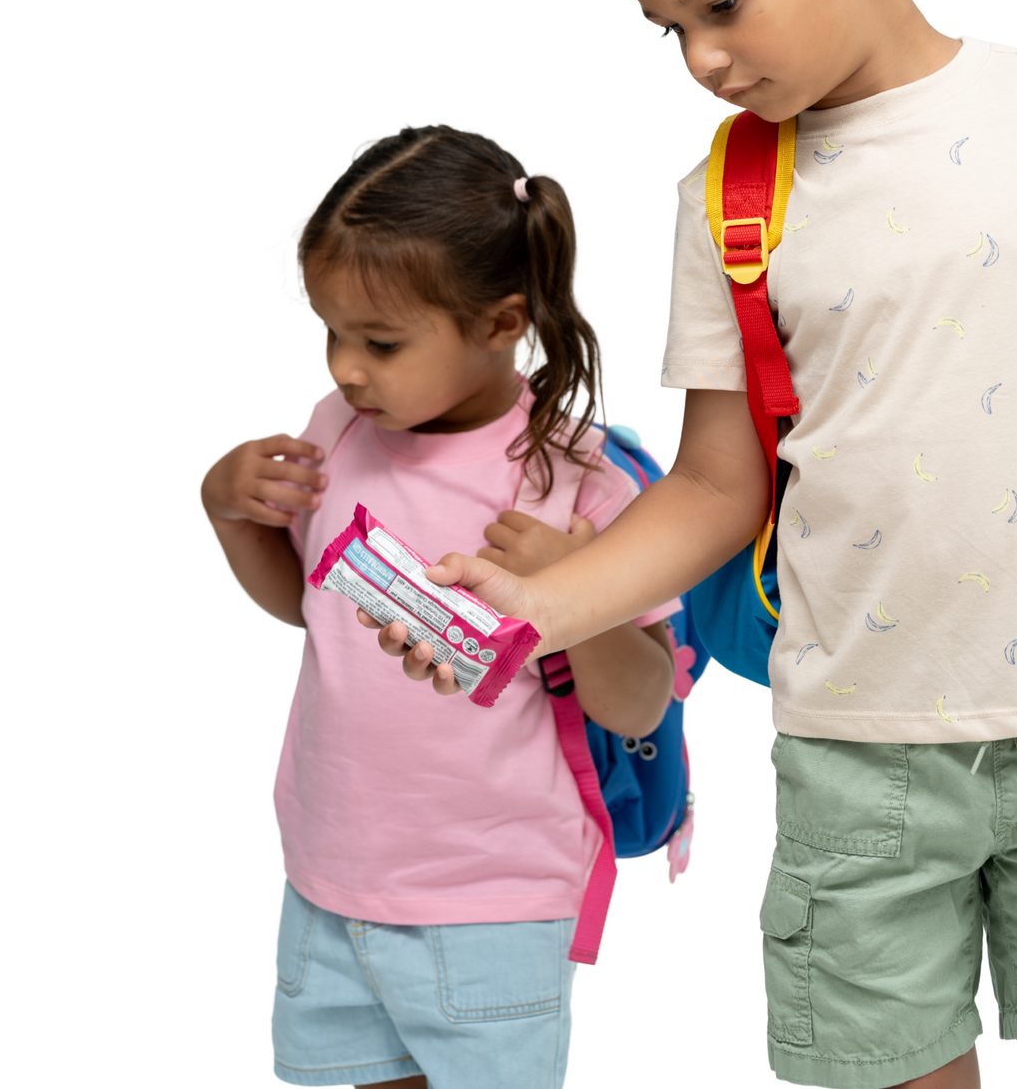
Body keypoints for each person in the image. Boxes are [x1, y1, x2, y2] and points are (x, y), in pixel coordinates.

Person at [373, 0, 1017, 1089]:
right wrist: (540, 609)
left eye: (722, 5)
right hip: (858, 763)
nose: (704, 59)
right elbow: (718, 489)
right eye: (672, 30)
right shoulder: (727, 201)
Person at [200, 126, 678, 1089]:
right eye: (330, 330)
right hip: (329, 875)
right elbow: (311, 608)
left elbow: (643, 703)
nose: (345, 366)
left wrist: (571, 601)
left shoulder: (576, 478)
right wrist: (228, 511)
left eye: (380, 341)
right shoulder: (338, 427)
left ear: (503, 323)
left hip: (493, 900)